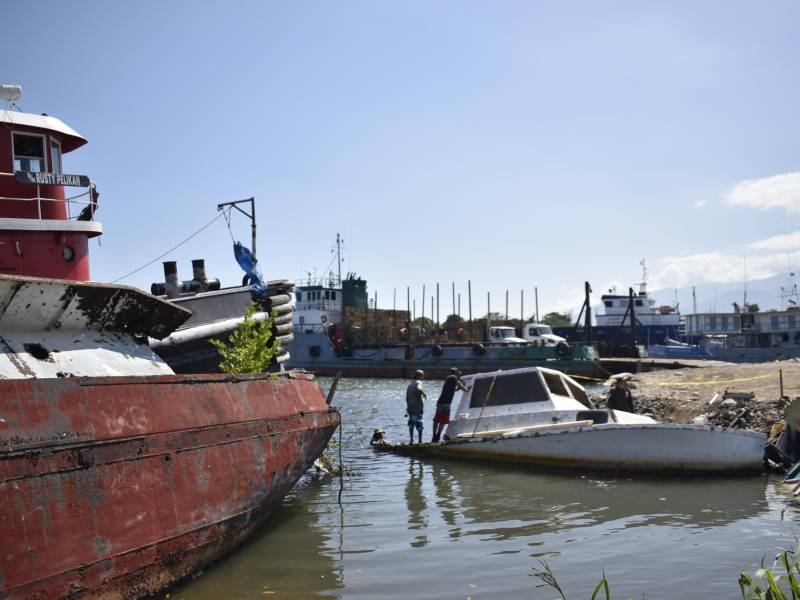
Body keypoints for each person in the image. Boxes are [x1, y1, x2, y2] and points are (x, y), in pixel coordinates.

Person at [432, 367, 469, 442]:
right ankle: (438, 435)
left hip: (440, 402)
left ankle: (434, 436)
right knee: (443, 420)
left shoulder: (448, 378)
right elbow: (461, 386)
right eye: (458, 373)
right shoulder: (454, 377)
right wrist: (467, 389)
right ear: (455, 373)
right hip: (446, 403)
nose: (459, 375)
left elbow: (452, 389)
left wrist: (458, 388)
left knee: (437, 419)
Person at [405, 370, 427, 444]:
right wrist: (424, 393)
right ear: (418, 376)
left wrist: (408, 407)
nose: (423, 377)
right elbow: (419, 388)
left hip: (411, 407)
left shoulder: (410, 384)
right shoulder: (419, 382)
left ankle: (411, 440)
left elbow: (407, 397)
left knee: (411, 424)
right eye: (422, 375)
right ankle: (420, 440)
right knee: (419, 423)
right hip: (418, 407)